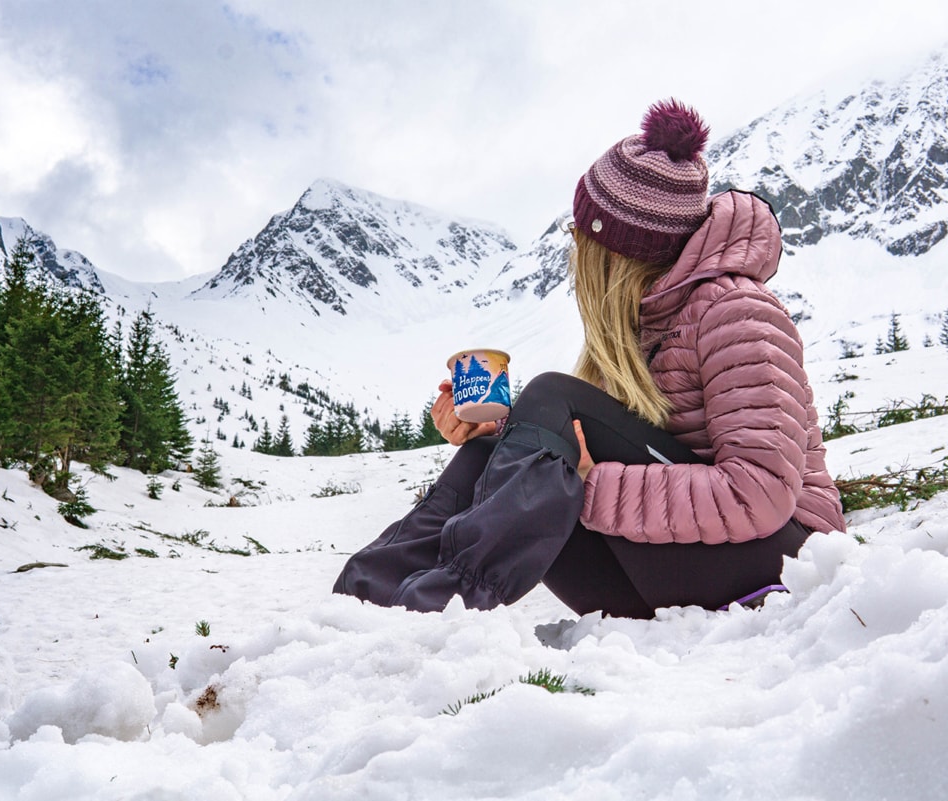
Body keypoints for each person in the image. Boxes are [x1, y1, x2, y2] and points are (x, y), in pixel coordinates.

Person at [333, 99, 846, 618]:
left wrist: (589, 481)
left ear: (618, 248)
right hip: (685, 567)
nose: (574, 245)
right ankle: (370, 598)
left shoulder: (737, 313)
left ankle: (445, 606)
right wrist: (508, 440)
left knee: (552, 396)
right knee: (496, 452)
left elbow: (756, 493)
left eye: (580, 233)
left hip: (787, 565)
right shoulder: (650, 319)